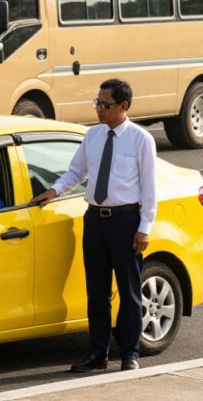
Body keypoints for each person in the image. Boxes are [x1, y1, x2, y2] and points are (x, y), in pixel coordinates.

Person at [32, 78, 156, 373]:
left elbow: (150, 189)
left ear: (122, 106)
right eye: (97, 103)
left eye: (105, 104)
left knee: (129, 290)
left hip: (126, 221)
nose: (99, 109)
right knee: (97, 290)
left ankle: (129, 352)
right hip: (95, 220)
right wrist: (55, 190)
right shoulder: (93, 136)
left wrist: (144, 227)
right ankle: (97, 354)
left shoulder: (141, 140)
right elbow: (76, 171)